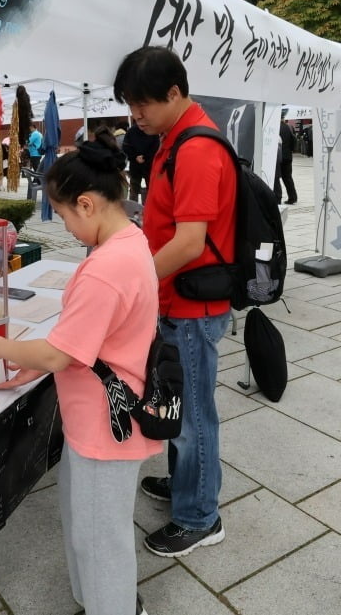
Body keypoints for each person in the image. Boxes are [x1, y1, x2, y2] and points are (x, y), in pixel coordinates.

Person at [0, 132, 159, 615]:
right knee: (92, 526)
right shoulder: (133, 239)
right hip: (108, 412)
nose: (69, 229)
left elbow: (60, 354)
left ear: (87, 203)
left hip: (105, 423)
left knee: (100, 537)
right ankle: (99, 601)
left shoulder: (106, 267)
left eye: (66, 216)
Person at [114, 45, 237, 558]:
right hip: (177, 301)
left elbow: (189, 241)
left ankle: (199, 516)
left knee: (192, 417)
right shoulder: (171, 138)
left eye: (143, 104)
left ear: (175, 93)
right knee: (176, 404)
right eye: (130, 105)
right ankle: (188, 484)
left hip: (192, 306)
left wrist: (135, 281)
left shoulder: (197, 148)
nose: (135, 115)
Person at [121, 119, 159, 204]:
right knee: (134, 187)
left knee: (151, 187)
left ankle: (149, 206)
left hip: (148, 164)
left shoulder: (152, 131)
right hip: (135, 164)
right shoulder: (131, 132)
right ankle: (133, 208)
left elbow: (156, 146)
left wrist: (144, 157)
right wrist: (135, 157)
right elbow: (126, 147)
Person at [274, 121, 297, 204]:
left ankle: (277, 197)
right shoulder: (288, 127)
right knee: (287, 178)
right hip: (287, 156)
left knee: (276, 177)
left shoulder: (274, 126)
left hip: (278, 156)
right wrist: (291, 150)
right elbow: (294, 139)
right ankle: (293, 197)